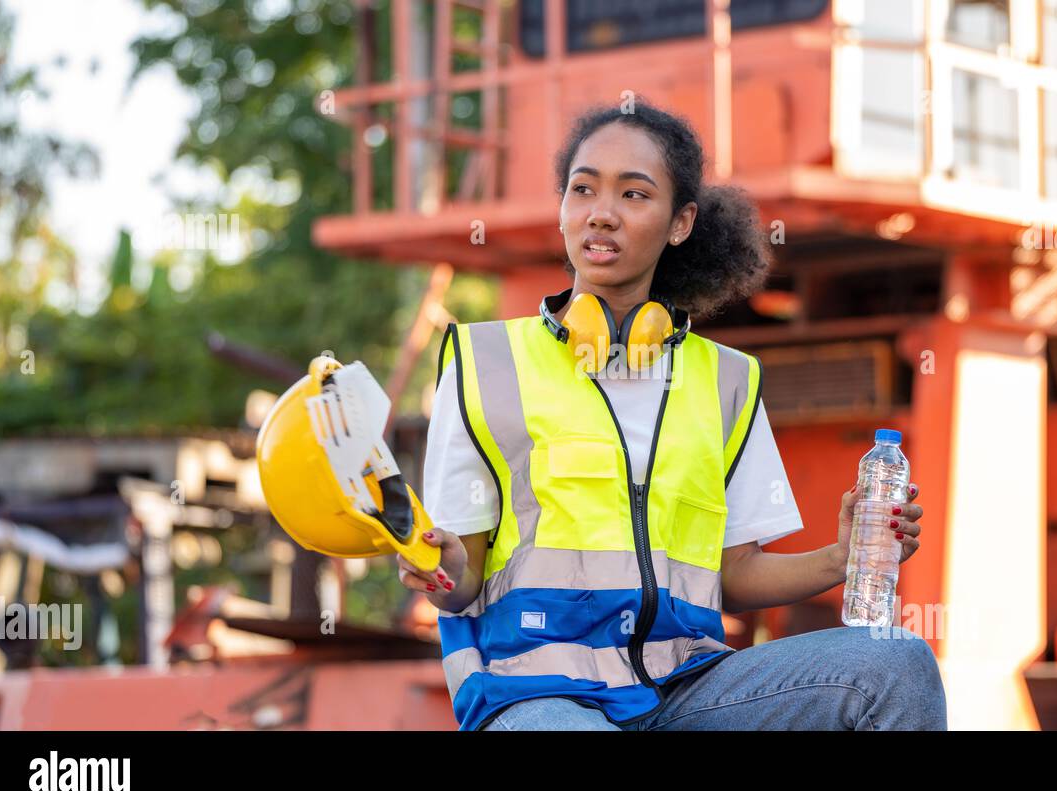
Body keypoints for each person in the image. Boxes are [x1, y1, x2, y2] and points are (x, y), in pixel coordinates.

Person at [399, 100, 947, 731]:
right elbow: (461, 580)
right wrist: (439, 566)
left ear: (680, 222)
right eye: (583, 189)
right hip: (536, 695)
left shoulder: (727, 380)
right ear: (562, 209)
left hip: (686, 689)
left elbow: (733, 574)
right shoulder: (483, 361)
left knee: (896, 663)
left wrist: (842, 558)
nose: (601, 212)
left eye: (634, 194)